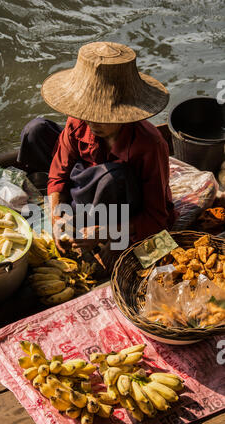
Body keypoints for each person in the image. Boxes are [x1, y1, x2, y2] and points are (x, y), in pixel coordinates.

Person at [18, 41, 178, 271]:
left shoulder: (150, 145)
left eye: (101, 117)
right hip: (87, 188)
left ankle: (109, 241)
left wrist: (108, 232)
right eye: (87, 114)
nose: (91, 122)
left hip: (125, 205)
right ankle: (77, 218)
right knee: (36, 131)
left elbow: (156, 217)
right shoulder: (79, 122)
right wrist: (57, 218)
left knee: (113, 180)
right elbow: (58, 176)